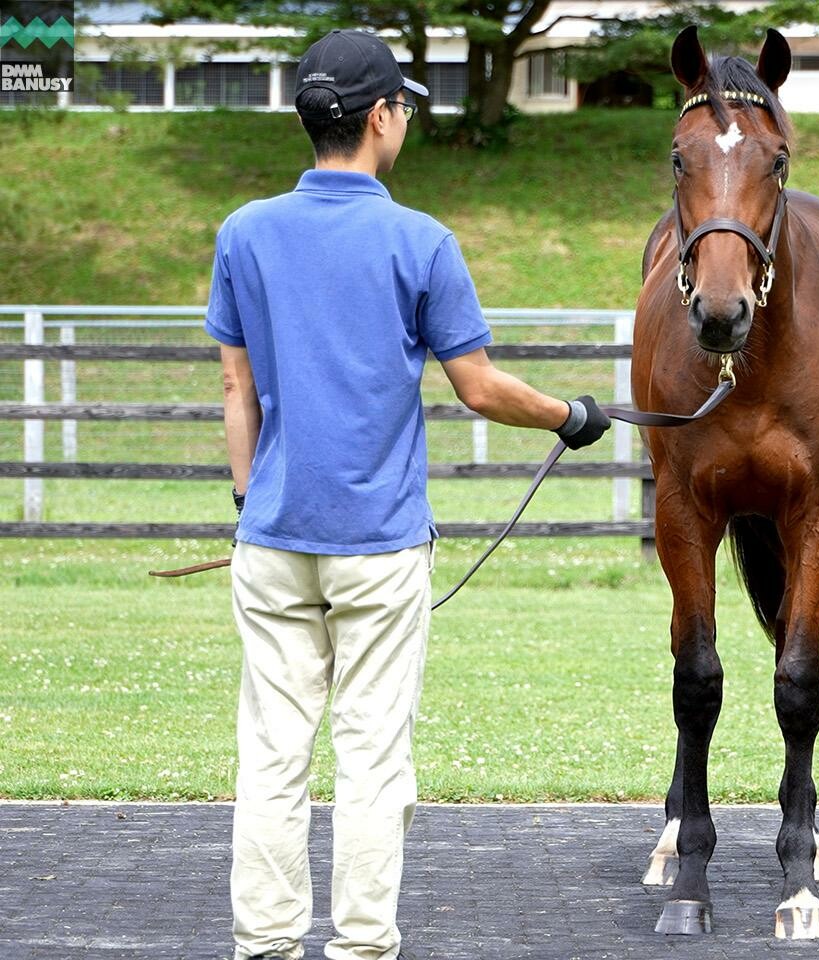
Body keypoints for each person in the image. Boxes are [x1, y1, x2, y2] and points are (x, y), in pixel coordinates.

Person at [204, 29, 610, 960]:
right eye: (406, 107)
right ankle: (359, 949)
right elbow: (477, 385)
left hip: (271, 539)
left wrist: (248, 502)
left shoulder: (245, 233)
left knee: (271, 760)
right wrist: (568, 415)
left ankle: (264, 947)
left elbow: (236, 390)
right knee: (371, 761)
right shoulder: (420, 241)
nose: (407, 121)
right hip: (380, 547)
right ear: (381, 117)